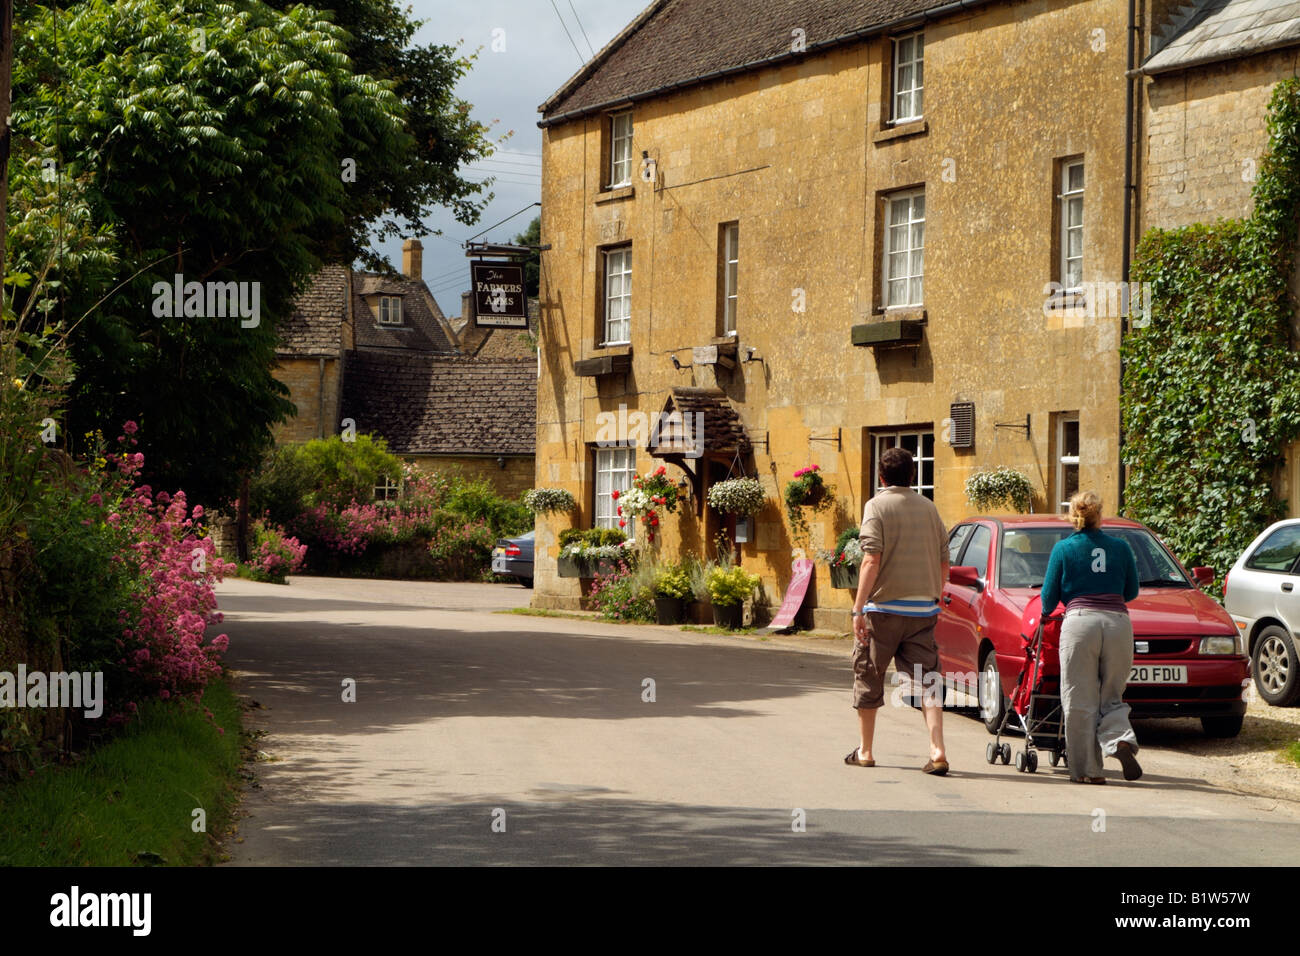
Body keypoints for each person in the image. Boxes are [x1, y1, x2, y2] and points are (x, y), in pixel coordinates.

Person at [846, 447, 950, 775]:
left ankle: (865, 751)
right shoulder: (929, 508)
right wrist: (934, 594)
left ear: (881, 477)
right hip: (923, 611)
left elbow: (871, 559)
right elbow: (944, 560)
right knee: (928, 681)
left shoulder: (876, 506)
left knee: (869, 675)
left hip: (882, 611)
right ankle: (937, 751)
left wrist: (857, 608)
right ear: (912, 477)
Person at [1040, 490, 1142, 784]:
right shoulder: (1121, 548)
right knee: (1112, 695)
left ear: (1073, 516)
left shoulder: (1064, 549)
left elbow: (1048, 600)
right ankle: (1120, 741)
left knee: (1079, 698)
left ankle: (1088, 771)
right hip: (1118, 623)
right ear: (1100, 515)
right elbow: (1132, 591)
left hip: (1080, 622)